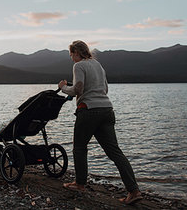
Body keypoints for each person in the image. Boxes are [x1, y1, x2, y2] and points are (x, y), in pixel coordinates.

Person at [58, 40, 142, 205]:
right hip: (106, 110)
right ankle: (134, 191)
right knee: (115, 152)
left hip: (88, 110)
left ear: (76, 52)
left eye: (71, 55)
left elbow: (78, 89)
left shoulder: (79, 66)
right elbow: (105, 89)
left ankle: (80, 184)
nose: (71, 59)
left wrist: (63, 88)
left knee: (80, 148)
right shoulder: (98, 65)